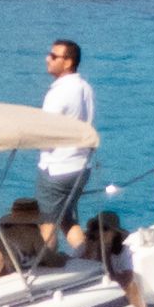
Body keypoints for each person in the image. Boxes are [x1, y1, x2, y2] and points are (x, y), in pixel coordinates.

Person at [36, 38, 98, 214]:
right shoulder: (85, 87)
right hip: (80, 167)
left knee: (47, 223)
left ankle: (50, 244)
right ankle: (81, 244)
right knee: (66, 219)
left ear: (68, 62)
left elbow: (46, 134)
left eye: (53, 56)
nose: (47, 59)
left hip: (57, 168)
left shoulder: (58, 93)